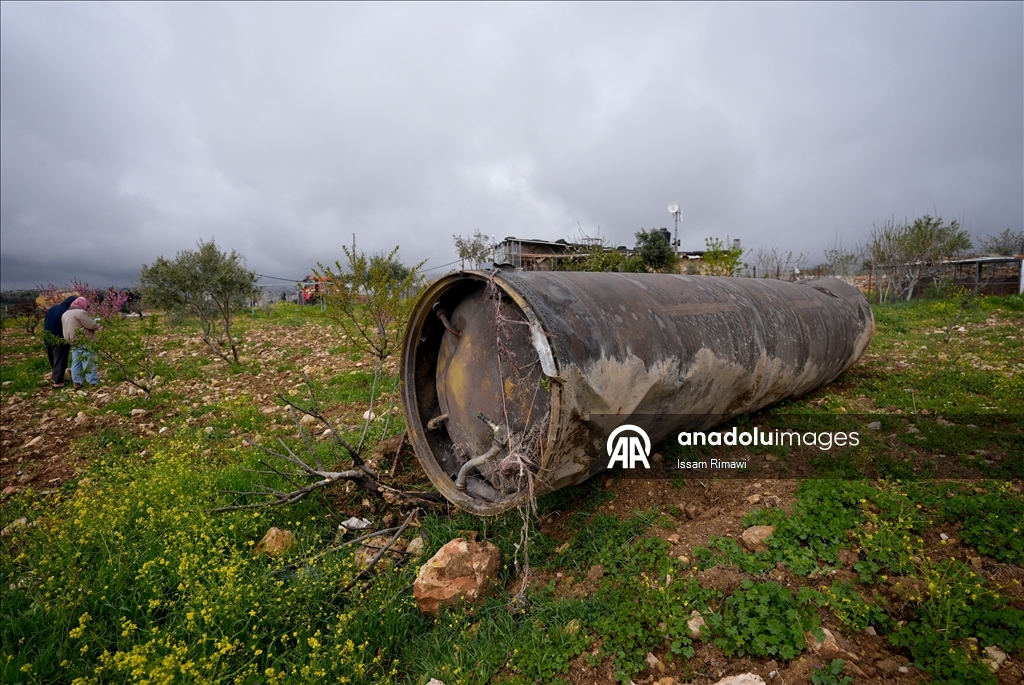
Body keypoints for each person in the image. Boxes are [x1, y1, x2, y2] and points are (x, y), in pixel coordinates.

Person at [61, 297, 100, 389]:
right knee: (89, 361)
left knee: (76, 362)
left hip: (72, 341)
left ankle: (77, 382)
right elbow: (92, 325)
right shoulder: (80, 313)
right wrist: (97, 324)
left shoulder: (65, 314)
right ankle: (92, 382)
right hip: (84, 340)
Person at [43, 295, 77, 388]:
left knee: (53, 357)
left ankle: (56, 375)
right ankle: (58, 381)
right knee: (60, 358)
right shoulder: (66, 311)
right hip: (59, 337)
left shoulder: (53, 308)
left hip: (47, 336)